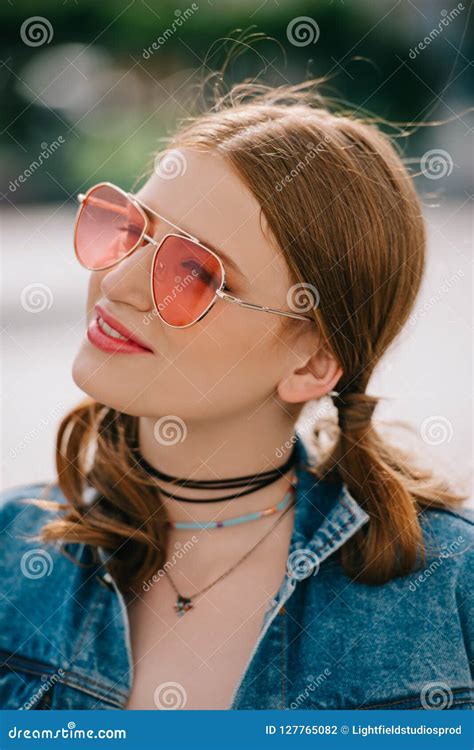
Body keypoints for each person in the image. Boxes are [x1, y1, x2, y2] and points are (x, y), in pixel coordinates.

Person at [1, 81, 472, 711]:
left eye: (194, 272)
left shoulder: (449, 589)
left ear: (313, 362)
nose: (115, 282)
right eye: (131, 230)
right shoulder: (13, 553)